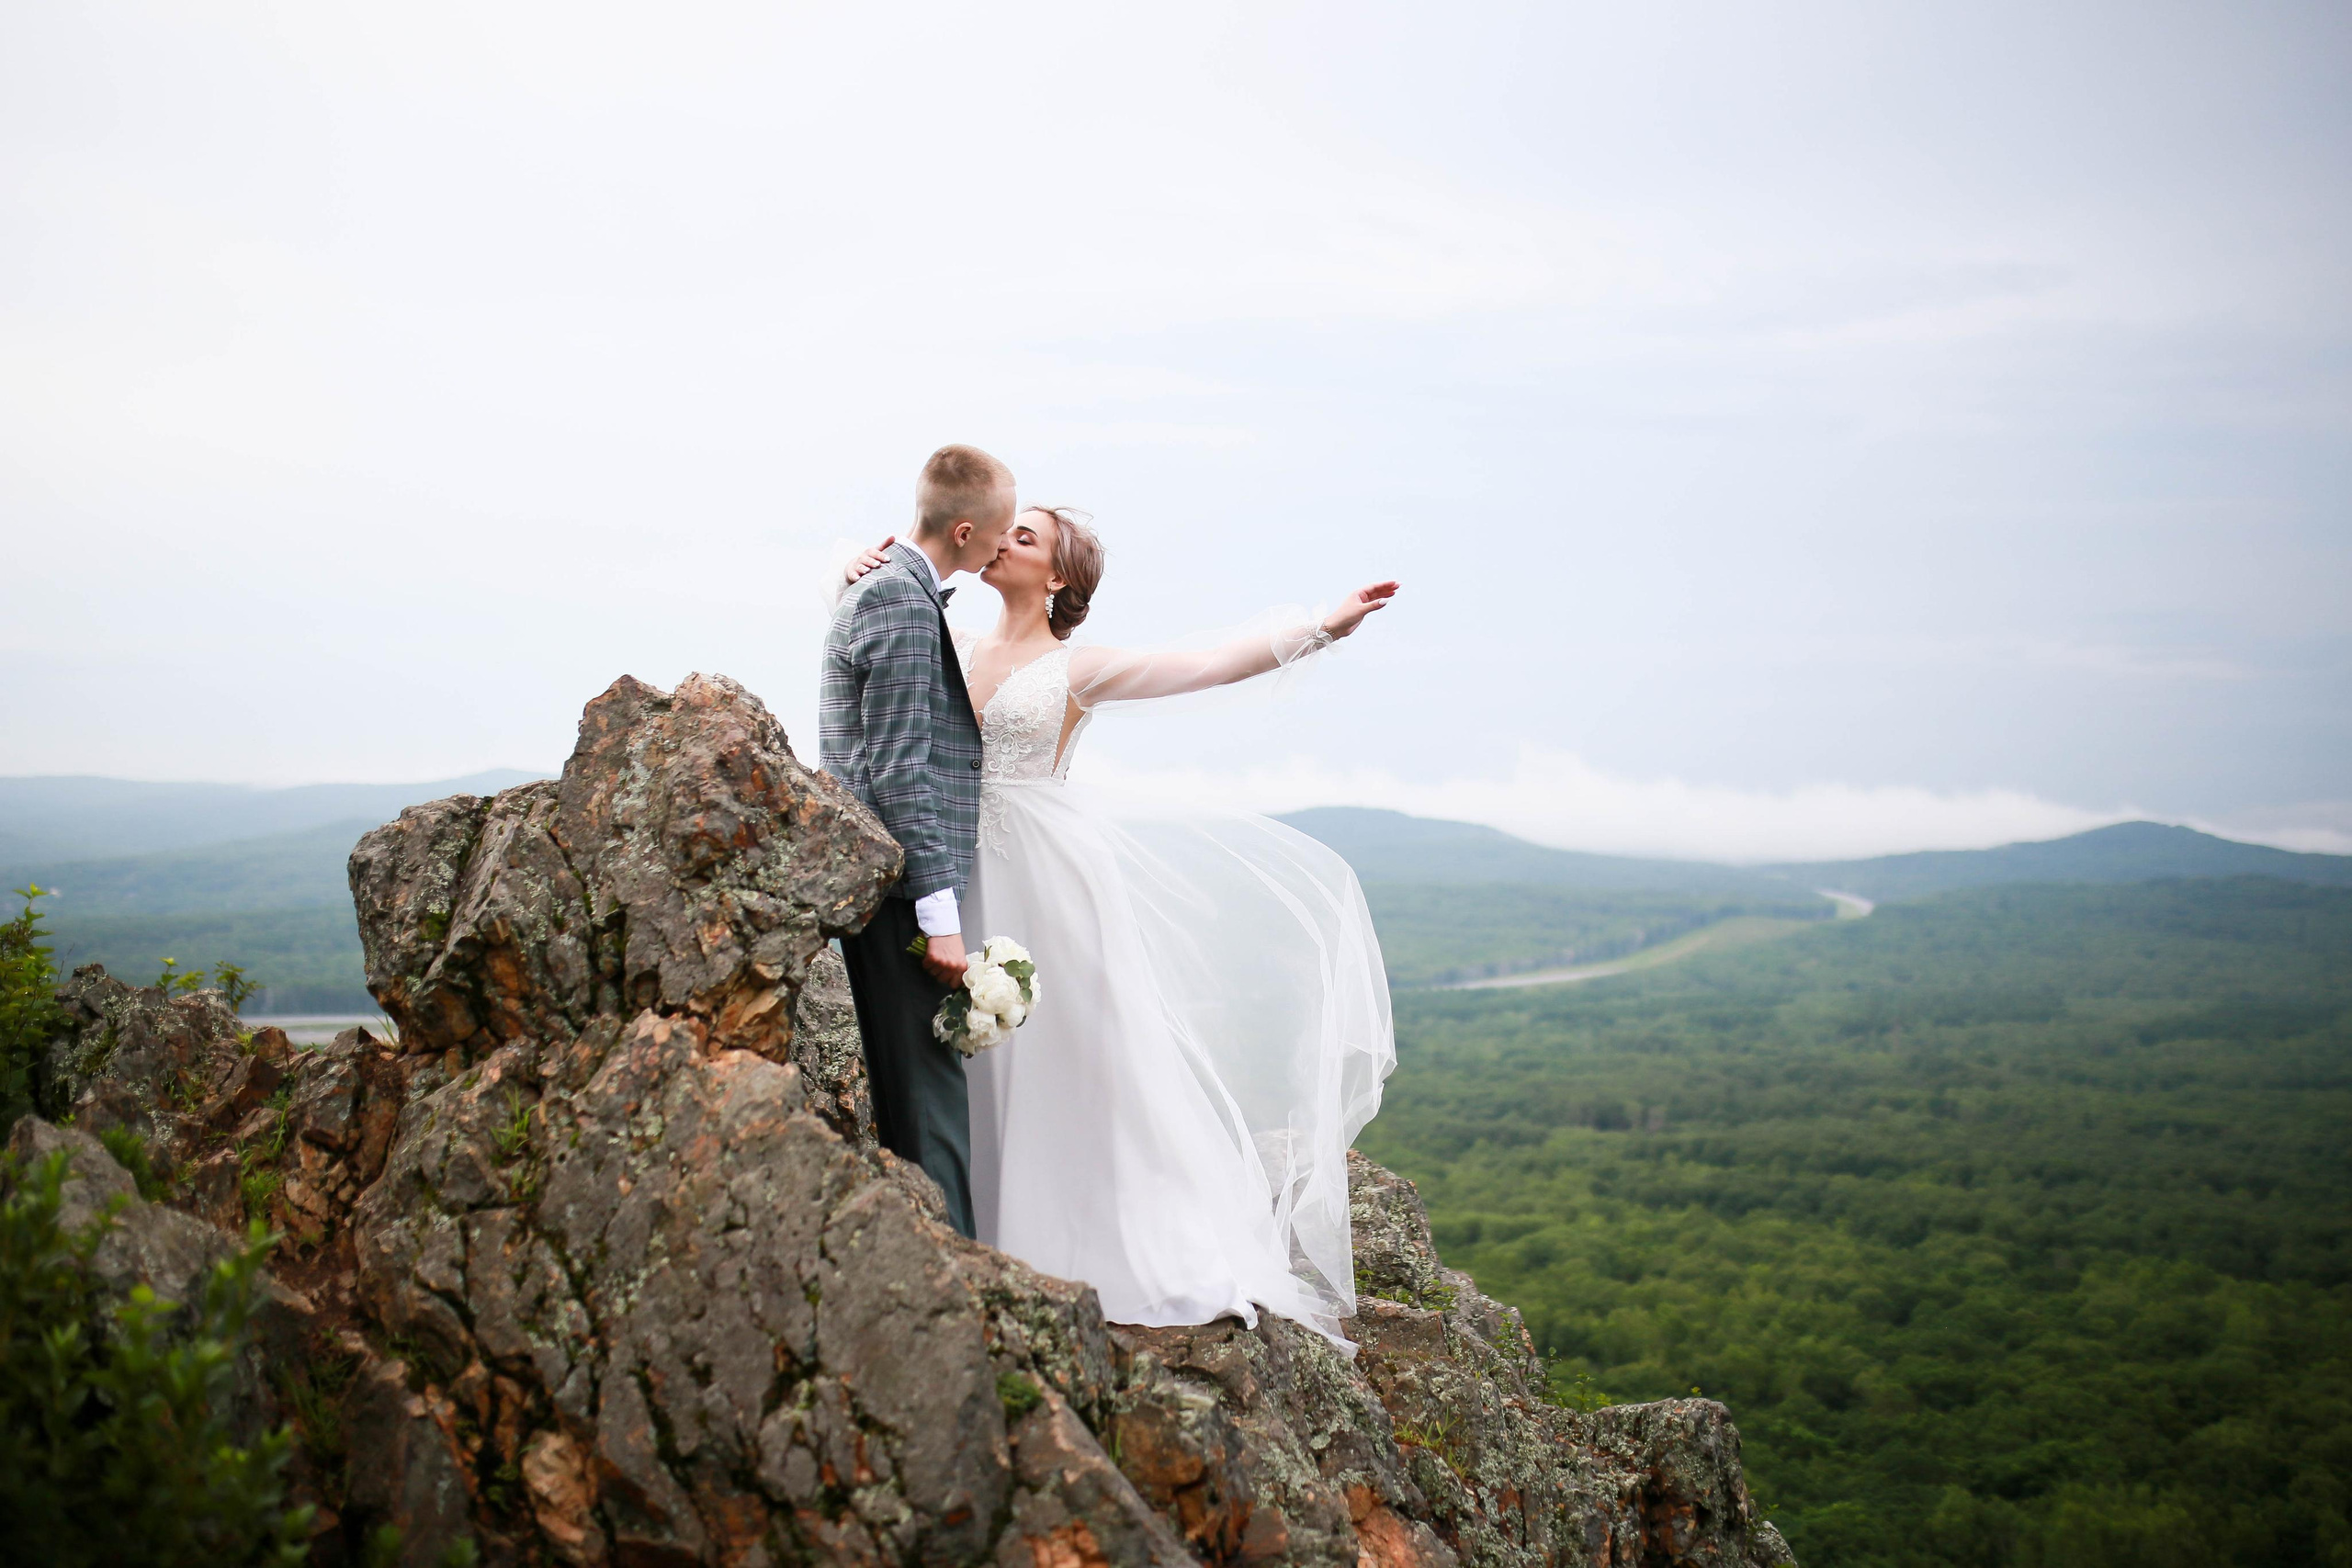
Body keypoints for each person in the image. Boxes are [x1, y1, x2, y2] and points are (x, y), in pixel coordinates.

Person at [835, 504, 1398, 1349]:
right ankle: (985, 1227)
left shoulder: (1078, 666)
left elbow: (1205, 662)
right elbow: (878, 692)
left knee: (1074, 1053)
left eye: (1023, 536)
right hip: (958, 874)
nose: (1000, 538)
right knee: (972, 1055)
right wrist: (857, 582)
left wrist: (1322, 626)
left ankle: (1101, 1235)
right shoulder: (945, 639)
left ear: (1058, 576)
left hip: (1051, 880)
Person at [819, 444, 1017, 1238]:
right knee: (931, 1113)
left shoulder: (889, 587)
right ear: (965, 532)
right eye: (1000, 534)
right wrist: (939, 916)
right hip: (901, 893)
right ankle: (961, 1289)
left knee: (915, 1105)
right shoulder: (900, 601)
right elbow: (899, 769)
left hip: (890, 887)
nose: (1005, 547)